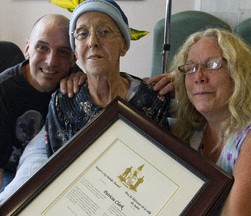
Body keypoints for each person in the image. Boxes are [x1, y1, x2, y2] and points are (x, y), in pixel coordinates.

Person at [0, 0, 170, 204]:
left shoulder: (152, 99)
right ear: (77, 51)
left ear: (123, 45)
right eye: (82, 34)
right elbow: (56, 175)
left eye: (105, 31)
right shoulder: (63, 102)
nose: (93, 42)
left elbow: (163, 172)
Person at [169, 28, 251, 215]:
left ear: (240, 73)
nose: (199, 76)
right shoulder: (191, 132)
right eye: (190, 68)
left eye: (213, 64)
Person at [0, 14, 86, 192]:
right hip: (10, 173)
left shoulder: (77, 83)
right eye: (42, 47)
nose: (51, 61)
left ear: (73, 59)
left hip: (50, 170)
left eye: (62, 52)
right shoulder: (3, 91)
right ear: (27, 48)